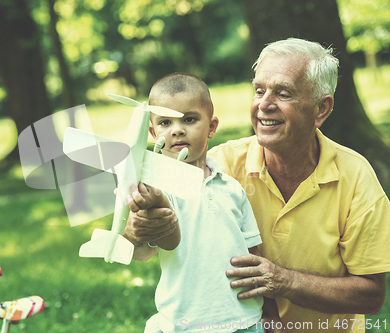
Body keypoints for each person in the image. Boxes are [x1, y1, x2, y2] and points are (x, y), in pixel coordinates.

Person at [124, 38, 390, 333]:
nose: (264, 105)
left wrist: (284, 281)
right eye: (259, 90)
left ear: (321, 109)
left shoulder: (355, 177)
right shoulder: (215, 166)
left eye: (283, 93)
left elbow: (372, 296)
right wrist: (137, 231)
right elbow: (147, 246)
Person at [126, 72, 282, 333]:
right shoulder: (154, 189)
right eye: (165, 122)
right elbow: (140, 249)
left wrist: (271, 315)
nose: (177, 129)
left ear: (211, 127)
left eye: (189, 119)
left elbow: (255, 257)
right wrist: (137, 224)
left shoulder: (232, 188)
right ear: (153, 133)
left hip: (244, 320)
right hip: (185, 323)